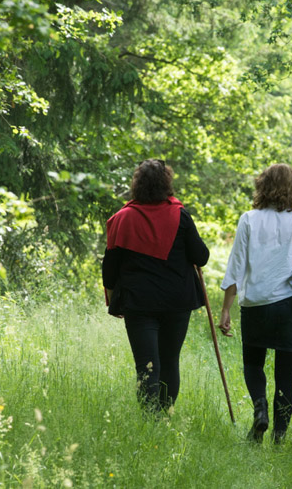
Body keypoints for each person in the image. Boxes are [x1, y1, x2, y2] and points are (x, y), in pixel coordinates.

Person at [219, 163, 292, 444]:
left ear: (262, 187)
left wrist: (225, 310)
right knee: (286, 375)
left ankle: (260, 409)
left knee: (253, 365)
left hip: (256, 305)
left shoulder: (249, 219)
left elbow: (235, 268)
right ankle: (279, 437)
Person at [102, 159, 210, 414]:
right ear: (166, 183)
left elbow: (110, 267)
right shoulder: (180, 215)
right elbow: (202, 257)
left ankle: (151, 422)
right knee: (170, 361)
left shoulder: (123, 218)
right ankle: (165, 414)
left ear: (137, 185)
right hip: (177, 301)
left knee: (146, 365)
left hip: (139, 303)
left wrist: (112, 296)